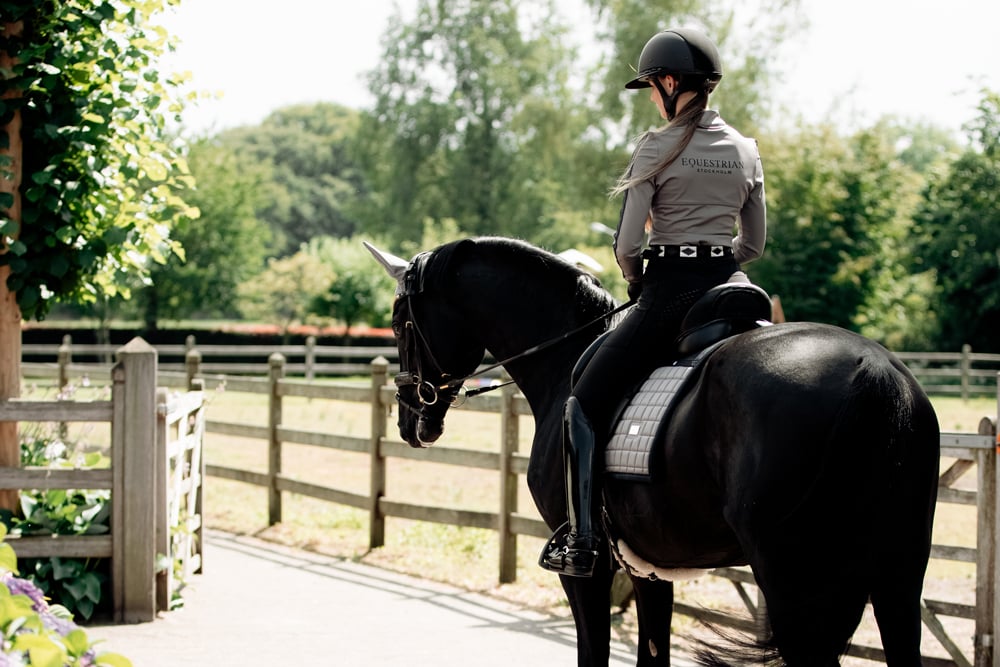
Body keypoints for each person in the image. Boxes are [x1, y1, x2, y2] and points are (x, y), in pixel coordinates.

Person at [539, 27, 766, 577]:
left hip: (670, 295)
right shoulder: (745, 149)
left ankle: (586, 537)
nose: (650, 97)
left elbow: (625, 245)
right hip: (733, 292)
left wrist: (635, 276)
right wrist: (720, 258)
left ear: (668, 82)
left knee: (582, 403)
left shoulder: (656, 147)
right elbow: (754, 243)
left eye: (650, 86)